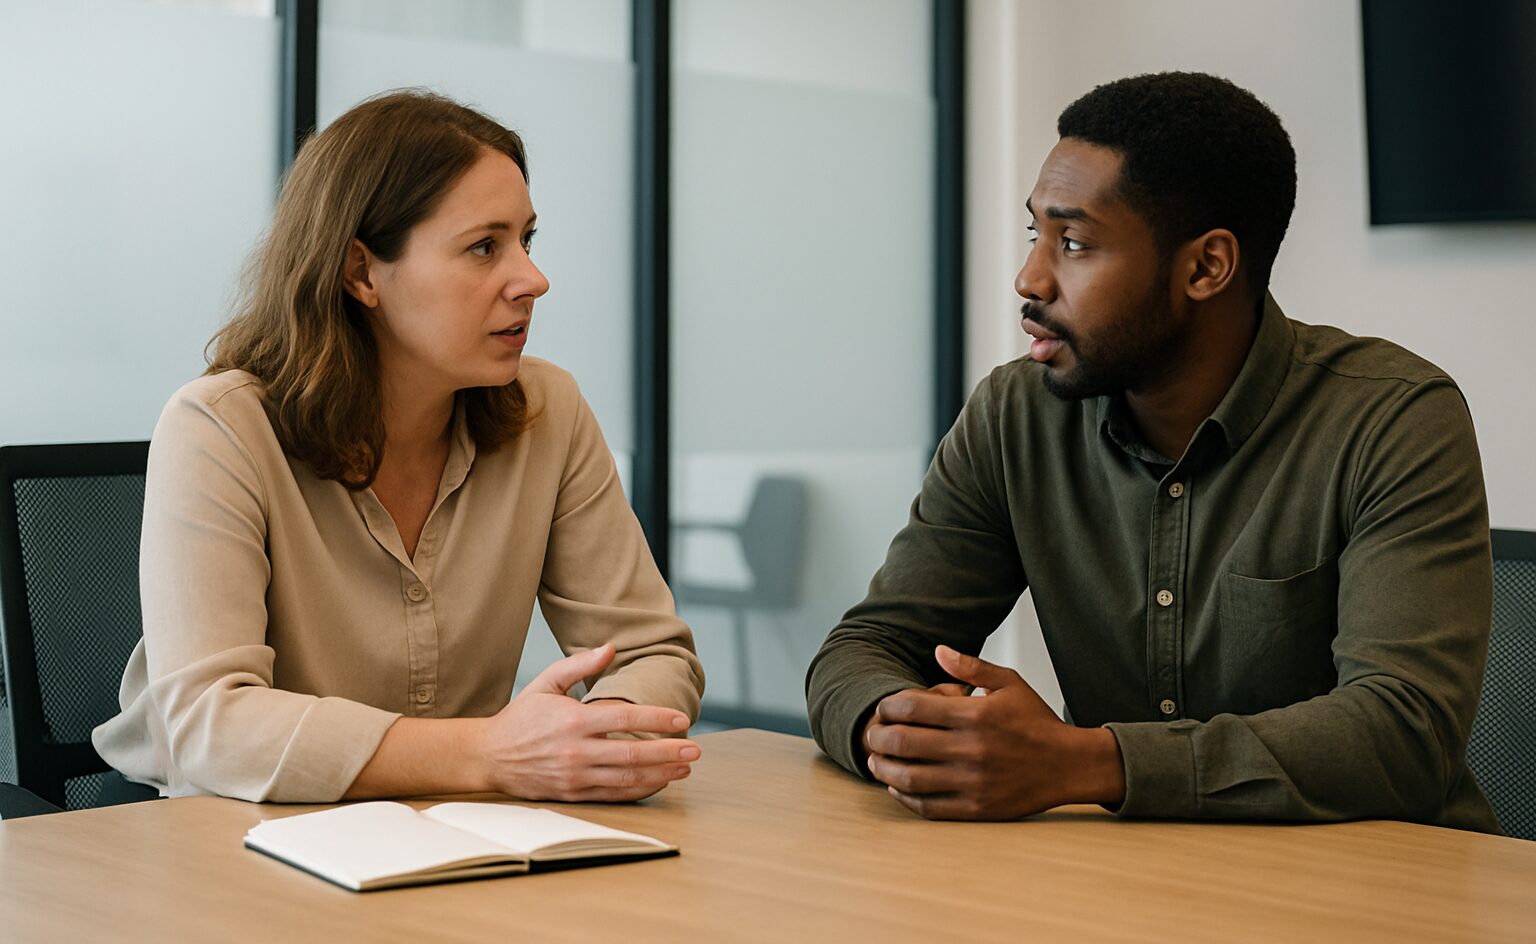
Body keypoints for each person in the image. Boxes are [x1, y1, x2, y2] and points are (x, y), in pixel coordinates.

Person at [806, 71, 1497, 833]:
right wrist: (896, 729)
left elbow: (1404, 734)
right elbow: (868, 647)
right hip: (1126, 882)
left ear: (1206, 267)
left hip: (1376, 891)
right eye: (1035, 233)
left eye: (1073, 243)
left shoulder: (1391, 418)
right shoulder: (1014, 415)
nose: (1029, 277)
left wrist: (1084, 762)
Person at [94, 90, 705, 803]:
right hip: (232, 843)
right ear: (361, 273)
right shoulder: (220, 427)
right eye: (484, 247)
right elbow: (210, 726)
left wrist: (586, 743)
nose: (533, 279)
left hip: (460, 832)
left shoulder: (550, 411)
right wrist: (490, 752)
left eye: (526, 241)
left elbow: (651, 652)